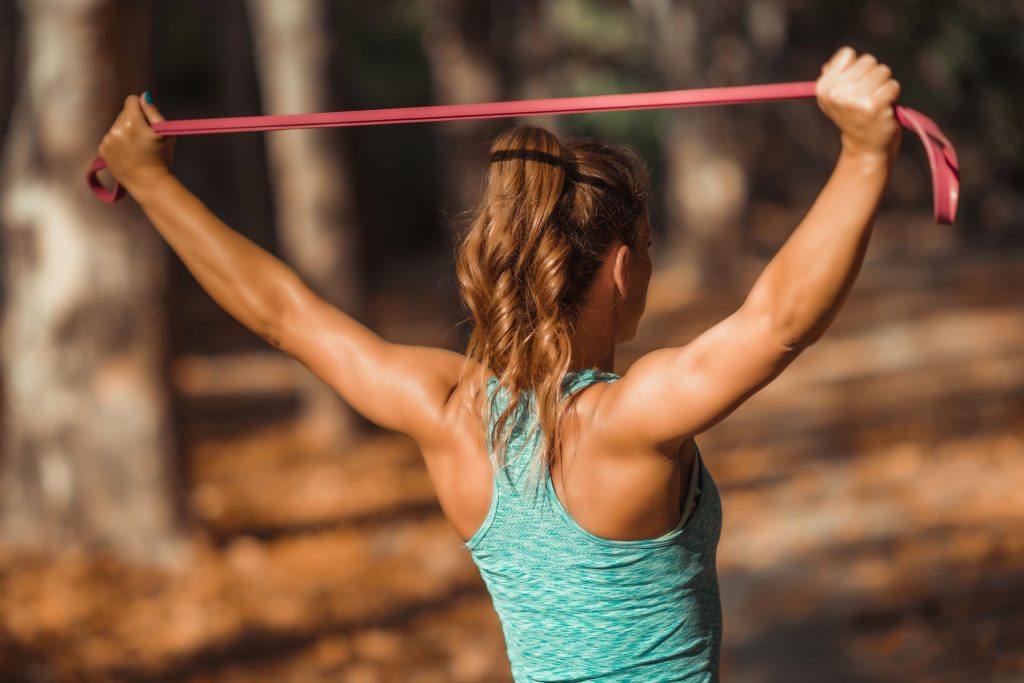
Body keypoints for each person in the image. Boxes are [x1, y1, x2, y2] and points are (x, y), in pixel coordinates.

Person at [98, 45, 900, 682]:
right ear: (623, 267)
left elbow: (283, 315)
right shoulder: (632, 420)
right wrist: (863, 155)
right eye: (649, 250)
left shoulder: (444, 409)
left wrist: (150, 184)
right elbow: (779, 321)